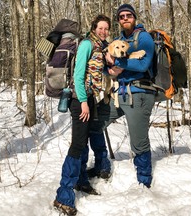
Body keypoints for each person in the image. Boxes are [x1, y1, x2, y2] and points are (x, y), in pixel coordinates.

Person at [53, 15, 111, 216]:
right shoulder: (87, 44)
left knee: (84, 141)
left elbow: (98, 72)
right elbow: (78, 75)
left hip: (90, 98)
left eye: (106, 29)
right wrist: (84, 102)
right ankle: (63, 196)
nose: (103, 31)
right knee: (77, 145)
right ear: (94, 28)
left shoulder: (100, 47)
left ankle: (81, 181)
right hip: (80, 100)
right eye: (100, 28)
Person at [101, 4, 155, 188]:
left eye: (128, 15)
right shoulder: (116, 41)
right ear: (118, 20)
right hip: (119, 94)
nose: (125, 18)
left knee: (138, 142)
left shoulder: (144, 38)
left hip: (139, 94)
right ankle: (102, 166)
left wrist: (117, 62)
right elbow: (110, 72)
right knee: (95, 123)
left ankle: (144, 181)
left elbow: (143, 65)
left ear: (134, 17)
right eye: (121, 16)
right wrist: (109, 70)